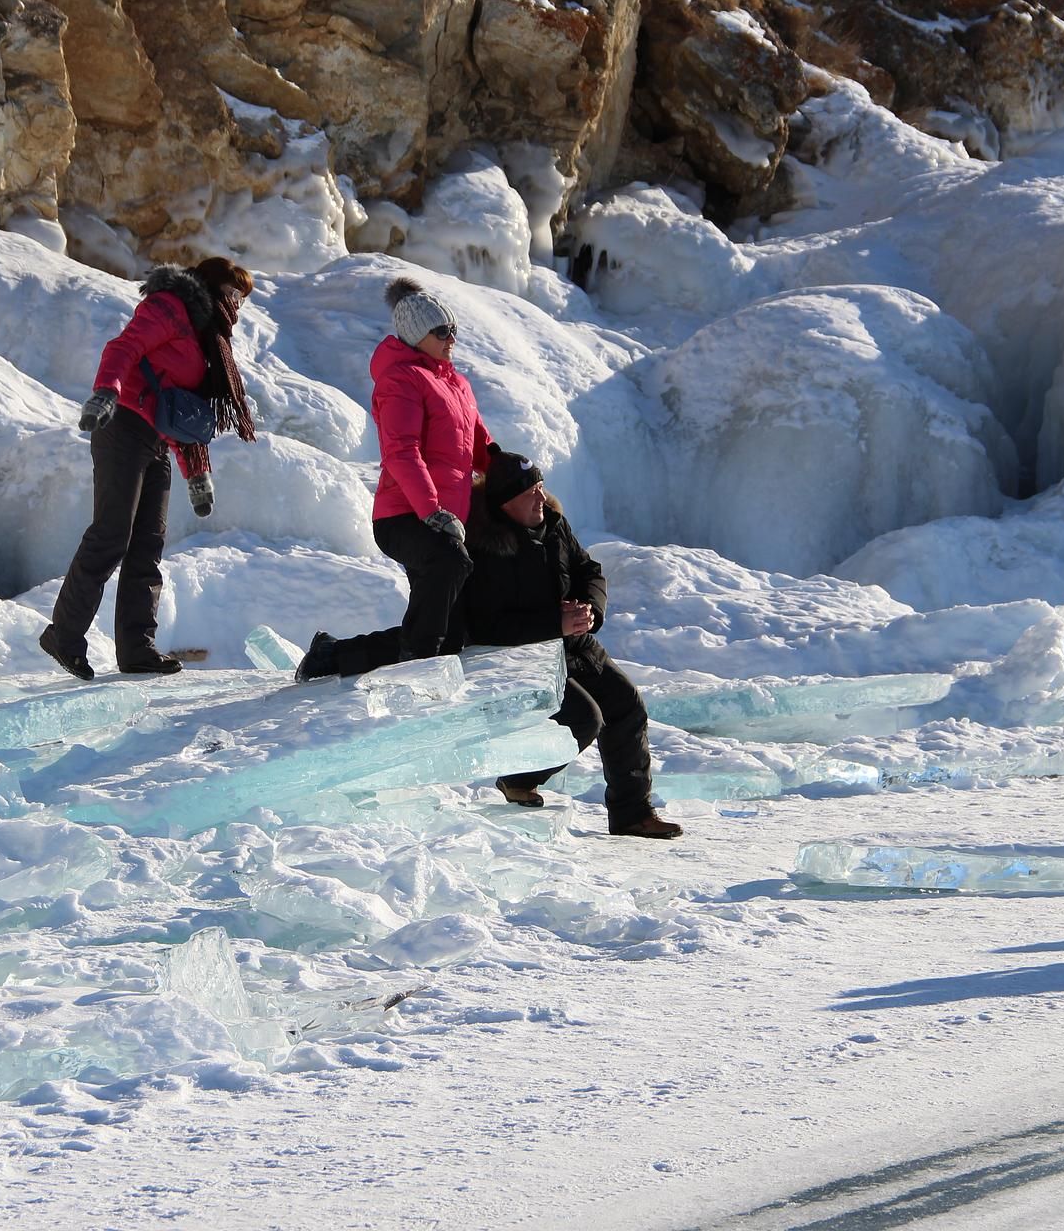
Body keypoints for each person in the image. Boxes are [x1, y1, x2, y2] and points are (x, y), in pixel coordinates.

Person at [297, 447, 684, 841]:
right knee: (584, 718)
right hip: (521, 654)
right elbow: (482, 625)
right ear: (503, 503)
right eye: (529, 491)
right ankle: (518, 779)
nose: (540, 496)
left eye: (540, 485)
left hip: (572, 643)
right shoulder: (482, 546)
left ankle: (633, 814)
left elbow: (589, 570)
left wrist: (591, 608)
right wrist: (555, 623)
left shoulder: (553, 523)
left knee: (627, 705)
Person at [41, 257, 257, 681]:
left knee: (148, 544)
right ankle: (64, 635)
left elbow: (181, 409)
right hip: (121, 423)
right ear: (212, 286)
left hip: (155, 439)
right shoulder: (170, 309)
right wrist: (106, 393)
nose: (237, 305)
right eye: (233, 294)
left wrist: (197, 472)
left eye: (242, 299)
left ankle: (137, 648)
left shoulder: (206, 338)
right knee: (111, 534)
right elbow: (123, 348)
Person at [369, 276, 493, 662]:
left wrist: (519, 476)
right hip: (404, 515)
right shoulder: (401, 381)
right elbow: (401, 451)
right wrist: (431, 511)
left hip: (442, 517)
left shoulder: (456, 384)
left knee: (450, 622)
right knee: (449, 562)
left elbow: (480, 446)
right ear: (415, 334)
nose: (451, 338)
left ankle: (336, 656)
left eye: (453, 329)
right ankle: (419, 663)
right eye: (442, 331)